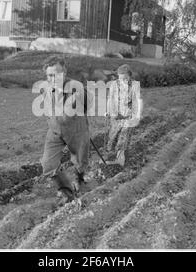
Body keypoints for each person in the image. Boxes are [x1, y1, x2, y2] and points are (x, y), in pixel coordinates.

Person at [39, 56, 92, 206]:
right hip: (55, 132)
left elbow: (89, 102)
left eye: (57, 74)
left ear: (65, 72)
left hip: (76, 131)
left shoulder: (76, 87)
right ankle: (67, 192)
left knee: (80, 163)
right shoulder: (45, 89)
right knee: (48, 165)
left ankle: (79, 179)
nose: (53, 78)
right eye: (50, 75)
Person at [105, 64, 141, 166]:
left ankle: (120, 161)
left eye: (125, 79)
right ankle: (111, 155)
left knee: (123, 138)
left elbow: (136, 101)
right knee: (112, 137)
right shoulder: (114, 85)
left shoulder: (134, 86)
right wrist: (108, 111)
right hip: (116, 115)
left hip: (128, 116)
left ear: (130, 76)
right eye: (120, 79)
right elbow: (110, 99)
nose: (123, 81)